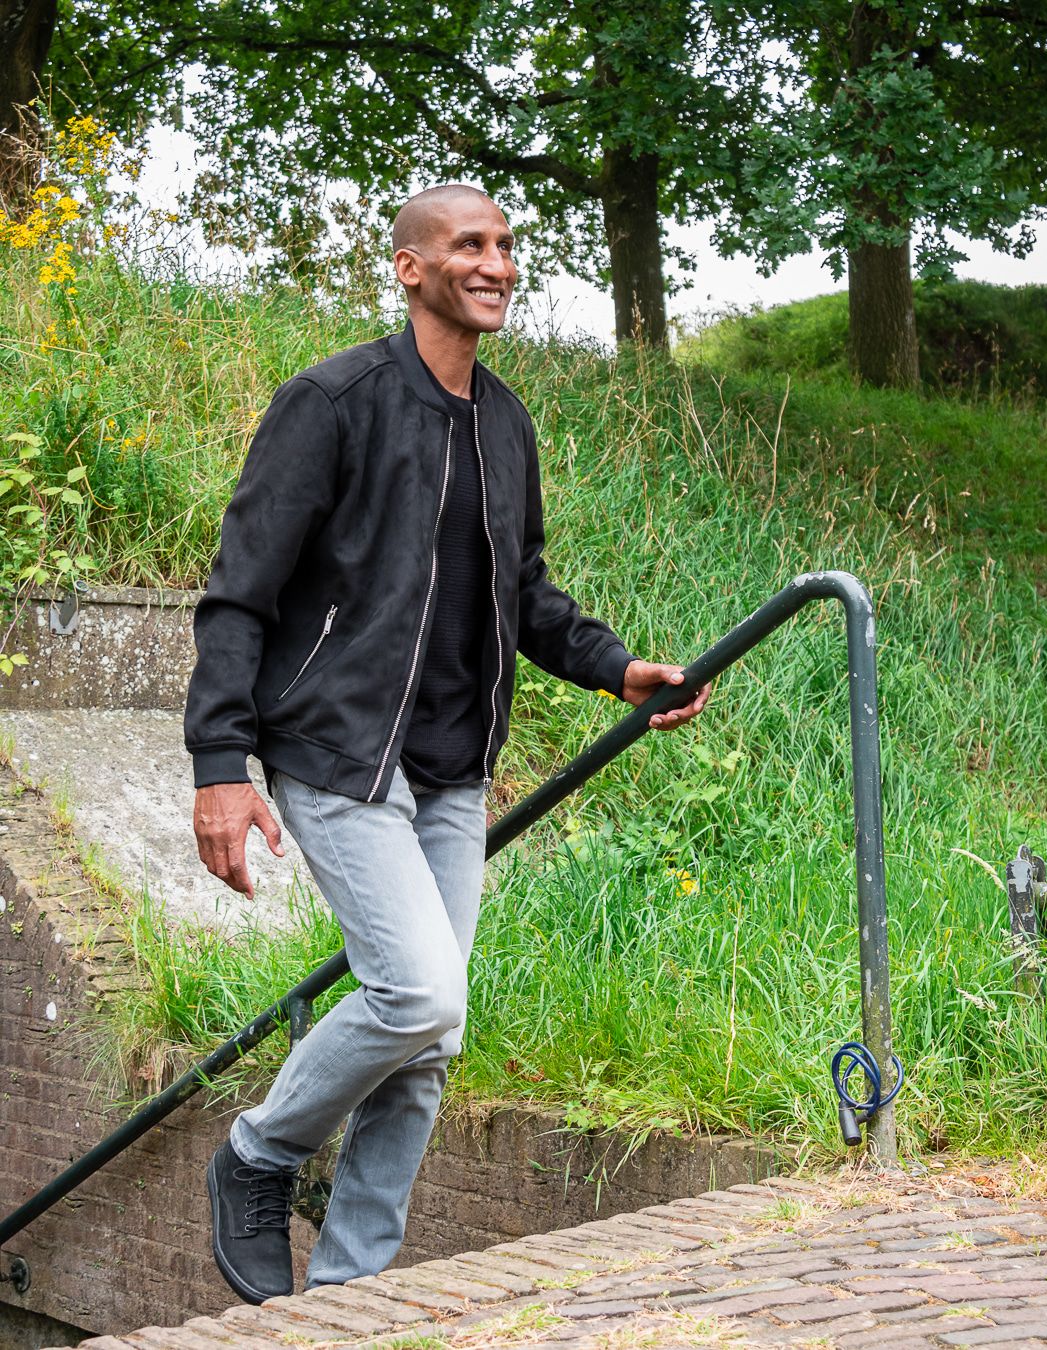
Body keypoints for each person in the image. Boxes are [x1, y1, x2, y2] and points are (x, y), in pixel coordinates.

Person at [184, 183, 711, 1306]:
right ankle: (261, 1152)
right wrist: (220, 766)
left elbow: (523, 592)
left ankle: (349, 1298)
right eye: (469, 244)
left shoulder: (504, 423)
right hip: (338, 753)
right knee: (418, 993)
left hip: (451, 771)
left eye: (507, 245)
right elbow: (238, 594)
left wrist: (616, 667)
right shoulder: (332, 403)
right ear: (410, 267)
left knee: (428, 1047)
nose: (497, 263)